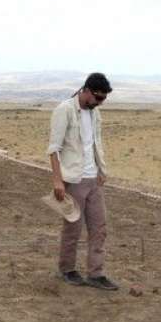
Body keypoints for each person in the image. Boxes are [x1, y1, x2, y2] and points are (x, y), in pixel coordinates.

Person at [47, 73, 118, 290]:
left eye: (103, 100)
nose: (99, 103)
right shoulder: (64, 110)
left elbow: (95, 143)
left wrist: (101, 169)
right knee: (73, 227)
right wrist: (58, 181)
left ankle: (95, 274)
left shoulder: (95, 113)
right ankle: (67, 269)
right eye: (97, 98)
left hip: (93, 178)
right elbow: (54, 149)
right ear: (86, 90)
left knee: (99, 228)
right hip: (73, 179)